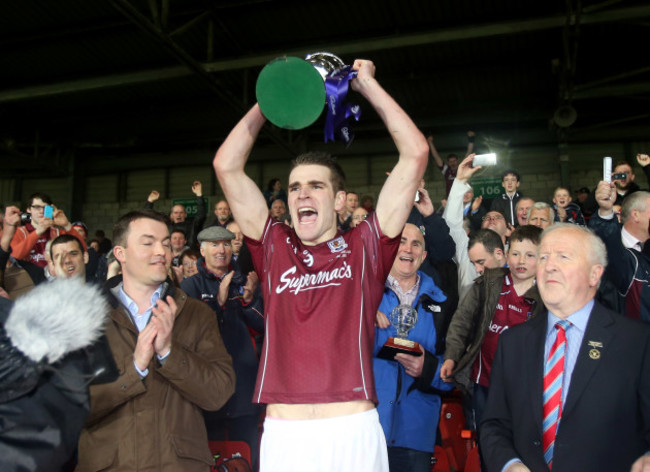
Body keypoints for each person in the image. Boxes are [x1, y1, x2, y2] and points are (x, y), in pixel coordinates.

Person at [213, 58, 428, 471]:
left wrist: (365, 86)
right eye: (295, 187)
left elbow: (415, 153)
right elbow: (226, 165)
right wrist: (273, 98)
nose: (302, 195)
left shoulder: (366, 245)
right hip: (284, 434)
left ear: (341, 200)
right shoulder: (274, 246)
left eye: (316, 186)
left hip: (351, 430)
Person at [480, 224, 650, 472]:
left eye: (563, 256)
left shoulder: (635, 342)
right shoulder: (514, 343)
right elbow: (494, 423)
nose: (549, 265)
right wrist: (510, 465)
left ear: (594, 275)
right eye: (543, 257)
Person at [76, 210, 235, 472]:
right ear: (120, 253)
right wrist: (134, 368)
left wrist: (169, 353)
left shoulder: (196, 314)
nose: (161, 251)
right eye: (148, 243)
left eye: (165, 243)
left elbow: (219, 394)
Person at [441, 226, 544, 439]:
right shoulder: (487, 284)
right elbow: (461, 323)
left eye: (530, 255)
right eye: (515, 254)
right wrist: (451, 356)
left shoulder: (547, 295)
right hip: (484, 383)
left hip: (523, 387)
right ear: (506, 255)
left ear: (542, 257)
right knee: (487, 442)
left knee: (521, 441)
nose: (521, 260)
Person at [181, 226, 264, 469]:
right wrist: (218, 302)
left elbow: (264, 326)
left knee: (246, 457)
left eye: (226, 244)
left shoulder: (245, 281)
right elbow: (189, 332)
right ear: (202, 250)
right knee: (209, 458)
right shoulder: (190, 287)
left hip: (244, 385)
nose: (222, 250)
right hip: (207, 387)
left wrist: (249, 301)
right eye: (215, 245)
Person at [373, 223, 453, 471]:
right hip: (368, 427)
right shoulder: (364, 295)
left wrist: (428, 368)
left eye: (416, 244)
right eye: (402, 241)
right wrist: (362, 313)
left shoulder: (443, 305)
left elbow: (455, 374)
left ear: (424, 255)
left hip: (416, 433)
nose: (408, 249)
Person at [589, 185, 650, 321]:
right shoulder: (614, 248)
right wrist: (605, 210)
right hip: (622, 332)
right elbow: (606, 241)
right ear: (636, 214)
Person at [10, 192, 86, 268]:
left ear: (51, 209)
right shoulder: (19, 232)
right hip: (27, 278)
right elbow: (14, 258)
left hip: (55, 278)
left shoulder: (57, 233)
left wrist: (67, 225)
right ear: (29, 210)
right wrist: (37, 232)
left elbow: (84, 252)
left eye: (46, 208)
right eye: (37, 207)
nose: (41, 211)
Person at [427, 131, 475, 196]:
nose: (453, 163)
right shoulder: (446, 170)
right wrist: (430, 143)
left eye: (454, 161)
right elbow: (436, 157)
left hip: (463, 198)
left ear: (457, 161)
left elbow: (468, 153)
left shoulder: (462, 168)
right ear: (448, 163)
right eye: (451, 161)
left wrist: (471, 139)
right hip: (450, 199)